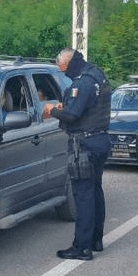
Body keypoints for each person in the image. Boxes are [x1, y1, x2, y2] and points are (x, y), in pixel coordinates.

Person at [43, 47, 111, 261]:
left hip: (85, 145)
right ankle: (96, 240)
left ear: (70, 61)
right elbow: (87, 107)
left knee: (83, 196)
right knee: (95, 190)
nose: (64, 73)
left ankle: (82, 247)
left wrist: (52, 111)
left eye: (63, 69)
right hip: (100, 139)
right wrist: (69, 106)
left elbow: (72, 115)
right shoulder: (98, 75)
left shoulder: (83, 81)